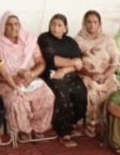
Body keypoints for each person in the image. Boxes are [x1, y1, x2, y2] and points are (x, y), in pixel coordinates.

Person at [0, 12, 55, 143]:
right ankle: (24, 130)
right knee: (16, 100)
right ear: (3, 27)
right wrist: (13, 79)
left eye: (16, 24)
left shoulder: (29, 41)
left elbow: (41, 62)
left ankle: (38, 128)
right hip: (7, 81)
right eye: (9, 25)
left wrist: (31, 74)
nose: (13, 28)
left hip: (29, 78)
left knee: (47, 95)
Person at [37, 14, 88, 146]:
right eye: (53, 24)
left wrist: (64, 70)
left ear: (65, 28)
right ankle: (63, 133)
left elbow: (79, 63)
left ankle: (72, 122)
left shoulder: (70, 42)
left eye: (59, 25)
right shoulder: (44, 38)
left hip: (68, 74)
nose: (55, 27)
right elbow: (52, 59)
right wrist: (71, 62)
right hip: (51, 74)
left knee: (81, 94)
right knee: (62, 95)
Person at [75, 10, 120, 138]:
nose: (92, 25)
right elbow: (76, 63)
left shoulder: (107, 39)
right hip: (88, 74)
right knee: (93, 91)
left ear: (99, 23)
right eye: (88, 22)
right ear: (84, 23)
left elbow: (116, 61)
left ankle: (111, 126)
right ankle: (92, 125)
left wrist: (105, 75)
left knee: (115, 90)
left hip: (107, 74)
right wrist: (91, 74)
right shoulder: (78, 40)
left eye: (95, 22)